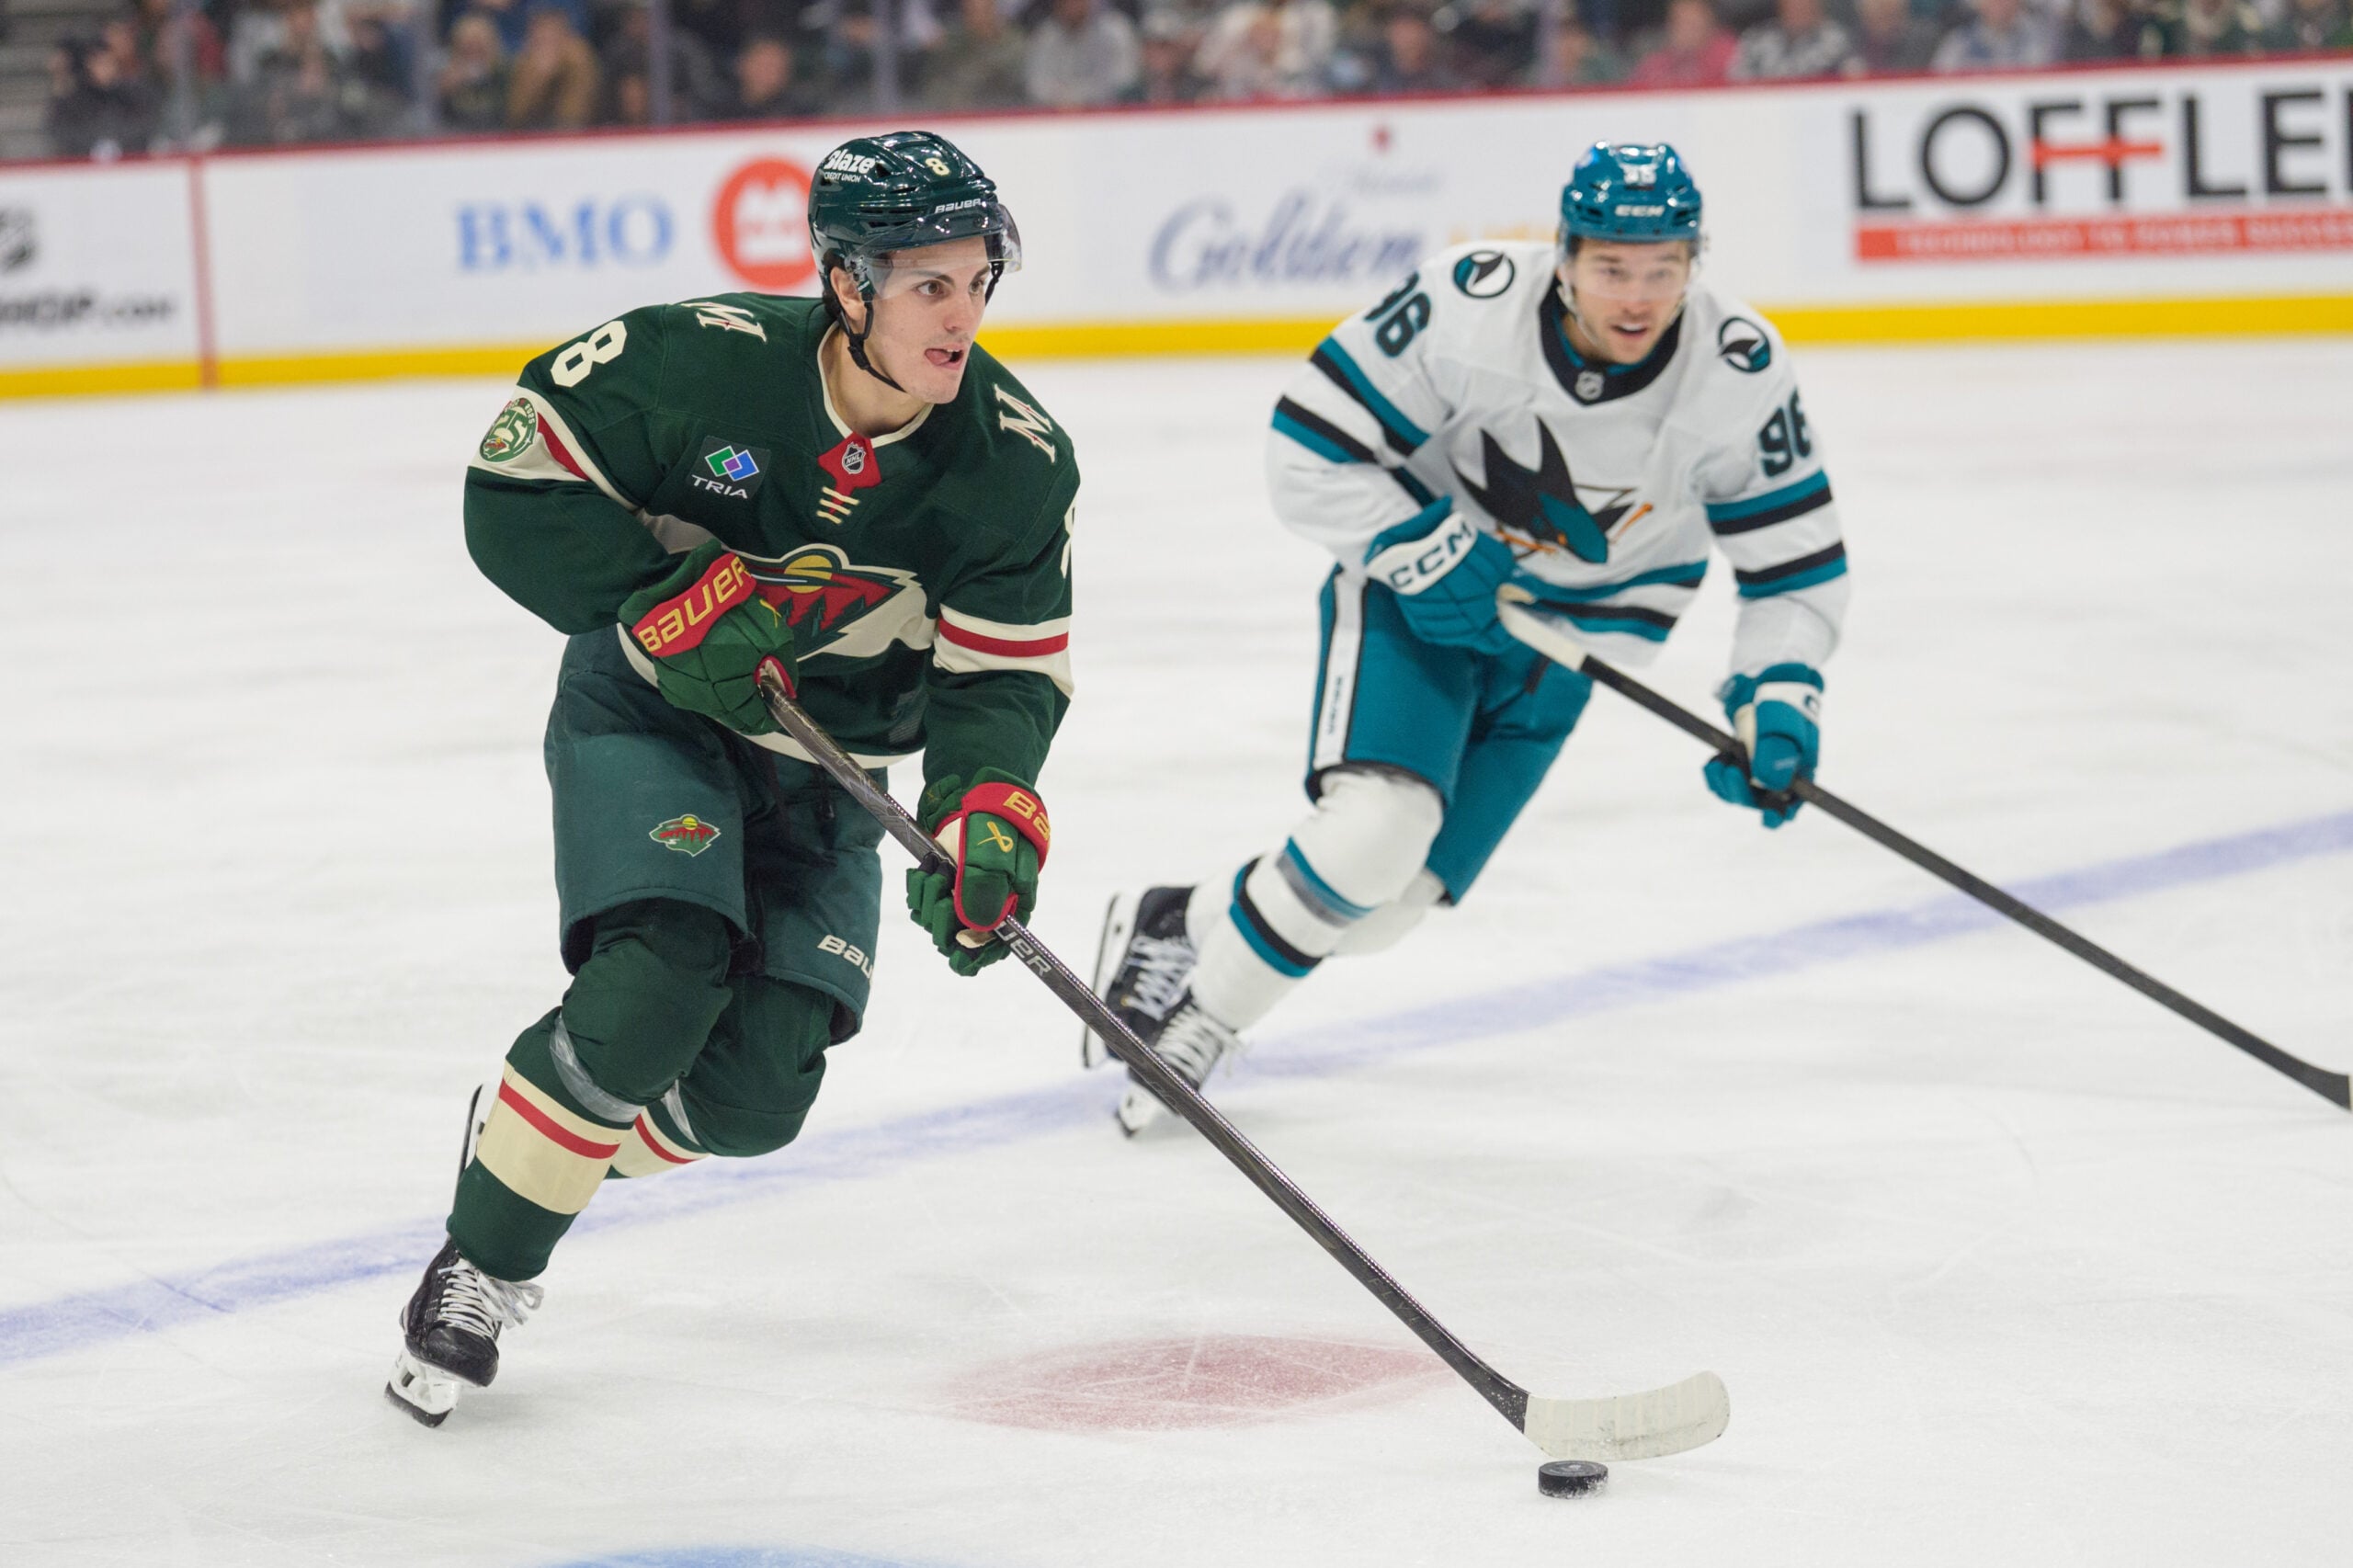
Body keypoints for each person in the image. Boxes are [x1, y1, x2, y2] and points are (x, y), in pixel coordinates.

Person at [385, 131, 1080, 1426]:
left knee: (756, 1097)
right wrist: (658, 607)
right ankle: (486, 1257)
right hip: (650, 715)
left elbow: (1004, 679)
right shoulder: (700, 362)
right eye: (931, 283)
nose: (965, 314)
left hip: (828, 772)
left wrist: (988, 810)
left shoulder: (1014, 465)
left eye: (980, 278)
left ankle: (545, 1127)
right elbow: (515, 477)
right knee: (658, 979)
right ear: (848, 280)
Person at [1086, 143, 1850, 1135]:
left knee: (1392, 903)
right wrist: (1420, 548)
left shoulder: (1738, 369)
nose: (1638, 295)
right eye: (1613, 266)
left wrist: (1779, 692)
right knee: (1376, 831)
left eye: (1664, 268)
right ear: (1566, 255)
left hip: (1577, 648)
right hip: (1423, 604)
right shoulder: (1468, 304)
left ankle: (1180, 920)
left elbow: (1793, 562)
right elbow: (1309, 444)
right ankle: (1197, 1029)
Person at [1729, 0, 1859, 77]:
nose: (1798, 5)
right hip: (1766, 114)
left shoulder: (1839, 41)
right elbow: (1736, 84)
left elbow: (1855, 83)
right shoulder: (1756, 40)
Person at [1628, 0, 1736, 85]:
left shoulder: (1731, 56)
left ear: (1709, 22)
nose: (1687, 30)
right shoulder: (1657, 64)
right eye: (1681, 22)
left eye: (1693, 23)